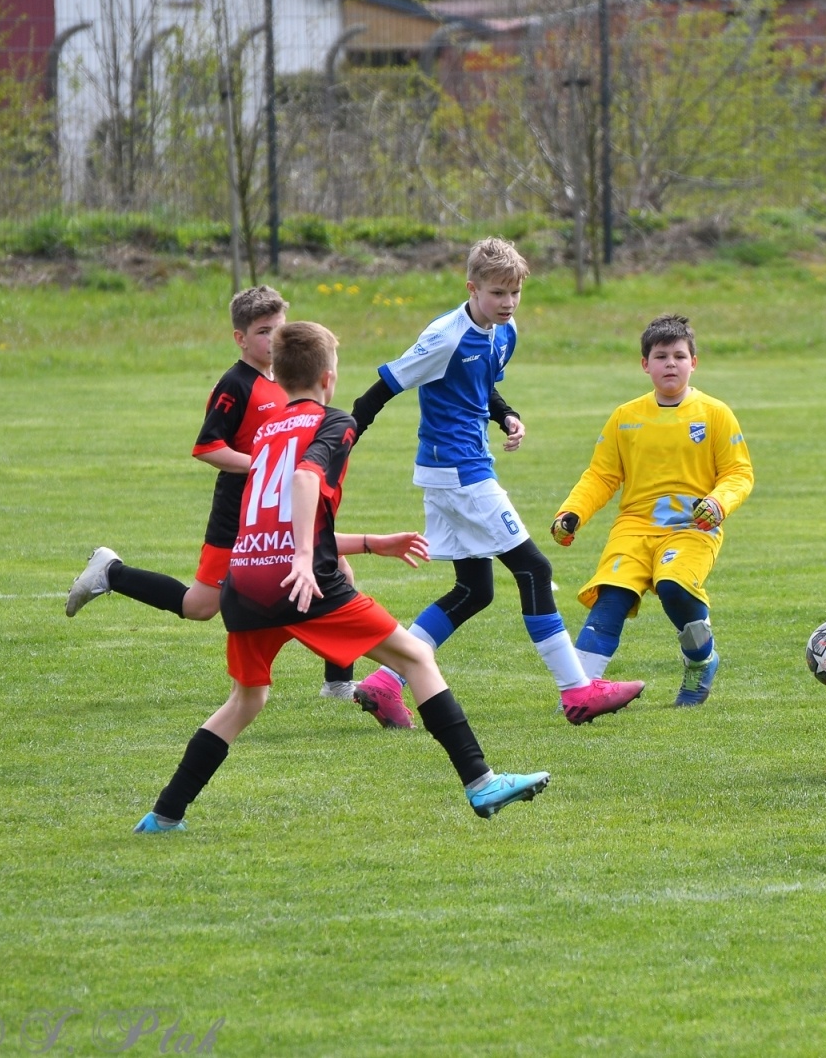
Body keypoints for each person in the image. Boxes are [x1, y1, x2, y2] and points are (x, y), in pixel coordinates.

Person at [133, 321, 550, 833]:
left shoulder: (265, 430)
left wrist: (373, 543)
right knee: (416, 656)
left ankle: (164, 814)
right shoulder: (336, 422)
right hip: (298, 580)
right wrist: (305, 560)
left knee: (245, 701)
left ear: (280, 378)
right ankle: (481, 782)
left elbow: (277, 518)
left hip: (244, 578)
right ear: (329, 378)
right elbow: (307, 480)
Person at [347, 238, 645, 729]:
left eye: (515, 293)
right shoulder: (444, 336)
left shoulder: (503, 333)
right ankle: (577, 692)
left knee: (474, 589)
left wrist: (507, 416)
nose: (507, 302)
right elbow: (384, 388)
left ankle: (385, 683)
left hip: (462, 469)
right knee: (532, 567)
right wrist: (338, 443)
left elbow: (482, 390)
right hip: (459, 473)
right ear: (472, 288)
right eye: (497, 293)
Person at [64, 286, 358, 699]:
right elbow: (208, 448)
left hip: (281, 502)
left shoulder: (286, 380)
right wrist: (263, 462)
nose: (273, 340)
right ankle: (111, 572)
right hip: (240, 509)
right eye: (263, 332)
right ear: (240, 338)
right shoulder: (234, 385)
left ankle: (339, 683)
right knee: (199, 607)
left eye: (279, 330)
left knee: (338, 570)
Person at [550, 314, 755, 707]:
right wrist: (571, 512)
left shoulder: (714, 413)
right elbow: (601, 476)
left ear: (694, 362)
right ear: (645, 364)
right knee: (611, 597)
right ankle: (578, 691)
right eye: (661, 356)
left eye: (680, 355)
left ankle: (702, 660)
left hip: (693, 528)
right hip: (633, 527)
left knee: (673, 585)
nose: (671, 363)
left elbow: (738, 473)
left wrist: (717, 502)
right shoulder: (626, 417)